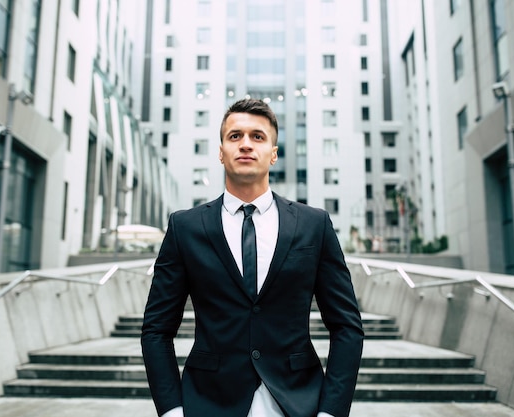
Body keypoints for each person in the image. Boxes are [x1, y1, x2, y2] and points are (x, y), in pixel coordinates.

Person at [141, 98, 364, 417]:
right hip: (208, 404)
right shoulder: (184, 227)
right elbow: (156, 329)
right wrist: (172, 411)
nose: (245, 144)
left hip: (298, 402)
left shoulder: (315, 225)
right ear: (221, 152)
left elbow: (347, 326)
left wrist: (331, 411)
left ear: (273, 153)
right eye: (235, 136)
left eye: (257, 136)